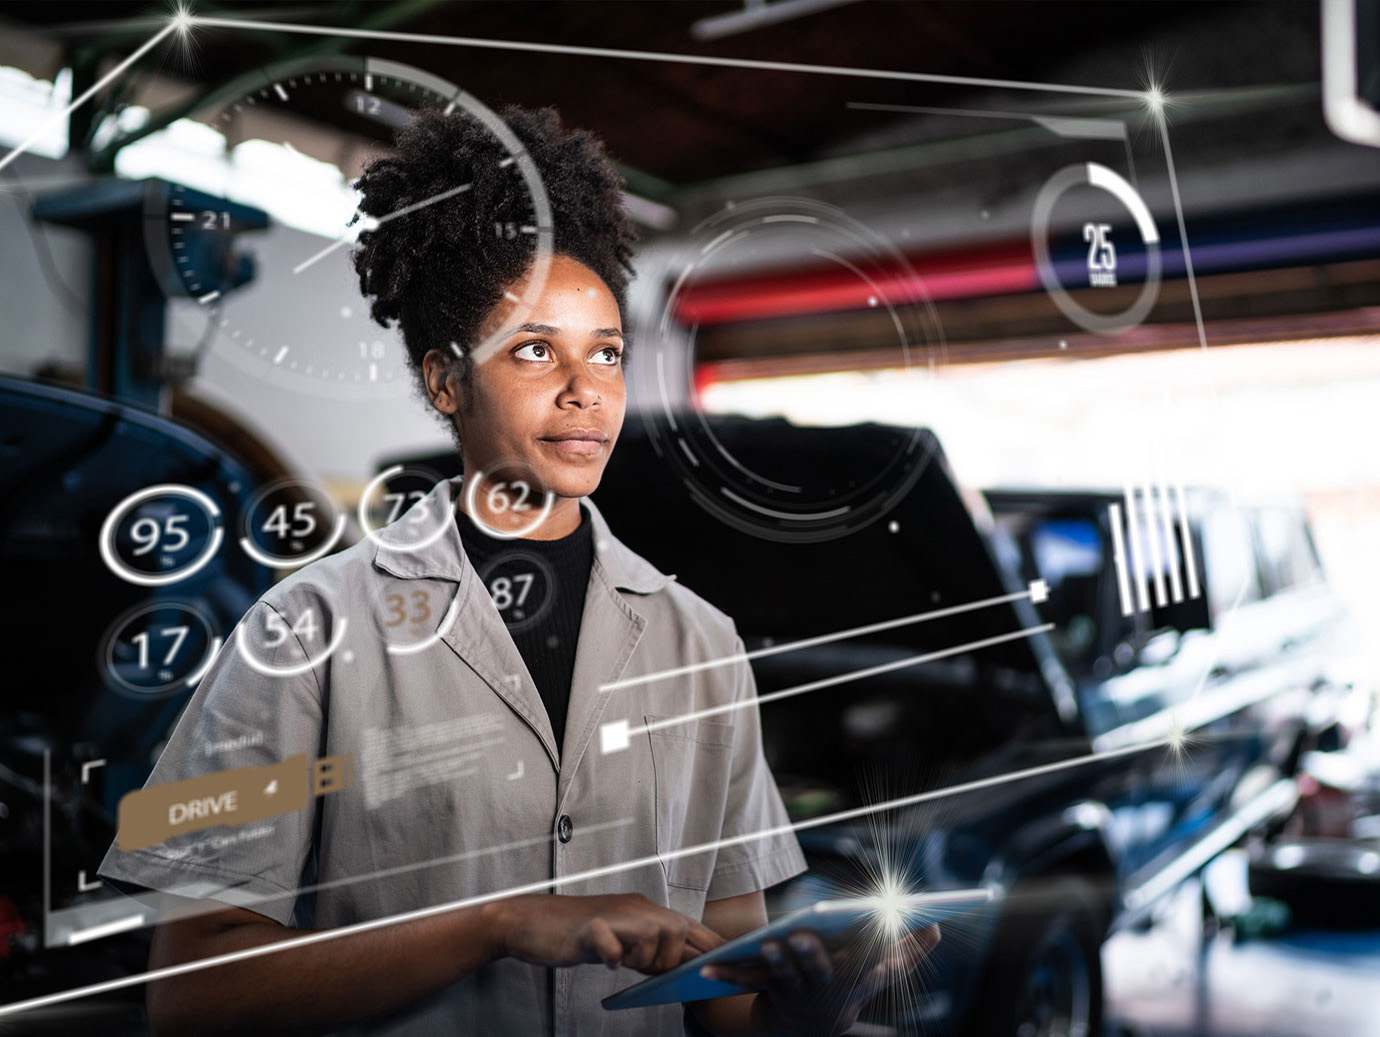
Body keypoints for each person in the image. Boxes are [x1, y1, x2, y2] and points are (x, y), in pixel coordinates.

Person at [98, 104, 937, 1036]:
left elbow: (724, 988)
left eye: (608, 354)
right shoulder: (303, 631)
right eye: (536, 349)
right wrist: (492, 925)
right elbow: (194, 995)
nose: (585, 389)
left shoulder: (700, 642)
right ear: (446, 381)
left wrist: (806, 1006)